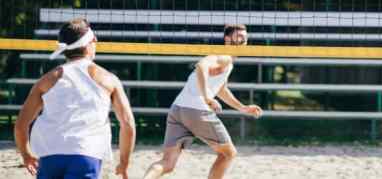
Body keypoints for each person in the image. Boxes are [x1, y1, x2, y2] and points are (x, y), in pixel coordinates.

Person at [14, 18, 135, 178]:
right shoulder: (108, 79)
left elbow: (21, 125)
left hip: (50, 155)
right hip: (86, 153)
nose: (96, 41)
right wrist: (124, 162)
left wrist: (27, 155)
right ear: (87, 44)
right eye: (94, 39)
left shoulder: (47, 80)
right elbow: (128, 125)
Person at [143, 24, 263, 179]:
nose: (244, 39)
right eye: (239, 36)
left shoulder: (227, 61)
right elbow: (201, 66)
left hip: (178, 109)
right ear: (227, 39)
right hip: (196, 110)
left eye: (245, 36)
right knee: (228, 154)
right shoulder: (224, 56)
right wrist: (207, 97)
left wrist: (242, 108)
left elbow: (221, 89)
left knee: (167, 163)